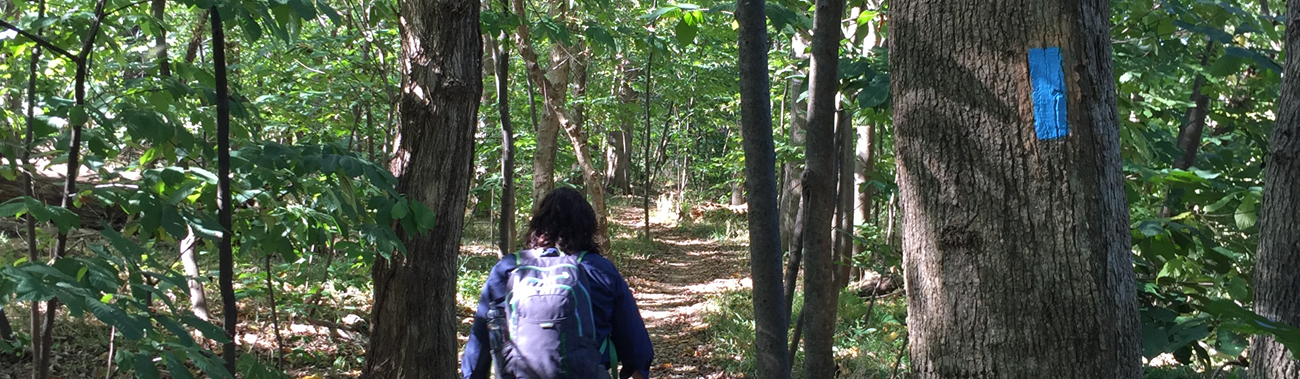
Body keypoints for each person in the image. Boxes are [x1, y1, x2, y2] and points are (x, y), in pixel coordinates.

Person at [462, 187, 654, 379]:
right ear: (587, 228)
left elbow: (479, 342)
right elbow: (636, 346)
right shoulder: (600, 270)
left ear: (538, 224)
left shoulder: (509, 268)